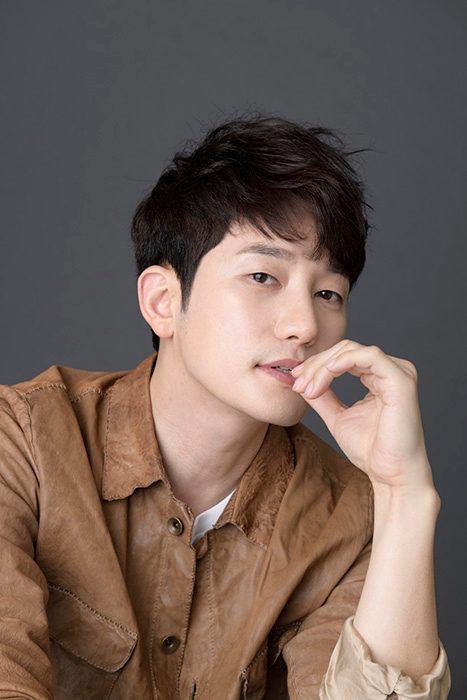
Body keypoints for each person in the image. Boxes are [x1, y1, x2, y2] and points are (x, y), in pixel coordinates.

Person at [0, 116, 450, 699]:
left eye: (328, 293)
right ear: (163, 301)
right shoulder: (25, 440)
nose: (305, 325)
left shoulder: (349, 517)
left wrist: (403, 496)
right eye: (263, 275)